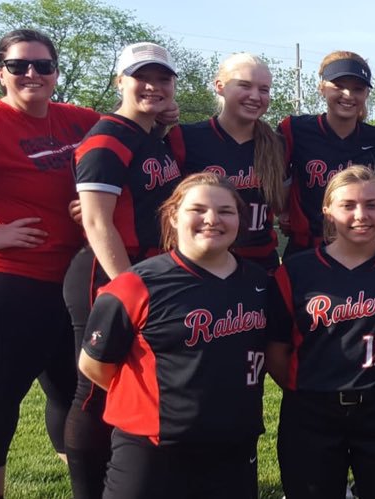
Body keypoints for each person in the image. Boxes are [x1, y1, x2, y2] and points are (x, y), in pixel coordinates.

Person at [0, 28, 99, 499]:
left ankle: (85, 484)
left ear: (56, 73)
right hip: (4, 281)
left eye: (43, 65)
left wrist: (161, 111)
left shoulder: (76, 119)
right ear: (0, 72)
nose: (32, 74)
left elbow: (127, 128)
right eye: (20, 65)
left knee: (69, 389)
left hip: (68, 280)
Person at [77, 173, 269, 498]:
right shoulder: (135, 284)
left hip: (234, 445)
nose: (212, 219)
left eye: (226, 211)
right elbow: (95, 365)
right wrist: (154, 398)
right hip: (152, 449)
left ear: (240, 219)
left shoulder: (260, 282)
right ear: (173, 216)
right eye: (198, 209)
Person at [266, 165, 375, 499]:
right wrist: (315, 386)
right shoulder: (295, 272)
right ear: (327, 210)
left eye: (372, 205)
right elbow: (277, 352)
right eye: (348, 205)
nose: (361, 215)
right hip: (312, 409)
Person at [66, 41, 184, 499]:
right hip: (109, 273)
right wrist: (128, 287)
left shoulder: (149, 136)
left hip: (148, 270)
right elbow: (96, 221)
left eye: (163, 79)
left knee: (129, 384)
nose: (153, 86)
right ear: (120, 81)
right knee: (94, 391)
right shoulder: (106, 137)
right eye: (142, 77)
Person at [169, 53, 286, 270]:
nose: (255, 96)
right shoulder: (185, 138)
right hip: (202, 261)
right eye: (244, 85)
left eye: (264, 89)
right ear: (220, 86)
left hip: (260, 264)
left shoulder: (278, 144)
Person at [281, 51, 375, 256]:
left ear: (366, 94)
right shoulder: (294, 129)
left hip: (358, 246)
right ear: (322, 88)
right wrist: (284, 211)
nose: (348, 95)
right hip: (306, 248)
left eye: (358, 89)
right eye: (339, 86)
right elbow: (277, 179)